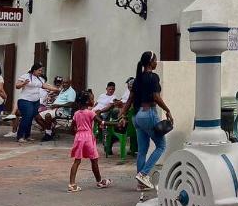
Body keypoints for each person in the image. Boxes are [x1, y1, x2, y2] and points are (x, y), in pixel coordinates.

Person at [119, 51, 173, 190]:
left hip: (137, 116)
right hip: (149, 113)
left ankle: (140, 184)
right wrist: (167, 110)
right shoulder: (153, 77)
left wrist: (122, 114)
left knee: (142, 150)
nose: (156, 62)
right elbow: (156, 97)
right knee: (161, 146)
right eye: (155, 60)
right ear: (150, 62)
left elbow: (130, 99)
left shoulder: (137, 79)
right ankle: (143, 174)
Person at [67, 91, 111, 192]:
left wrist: (78, 133)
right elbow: (101, 122)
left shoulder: (76, 113)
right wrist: (115, 123)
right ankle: (99, 181)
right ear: (87, 101)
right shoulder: (91, 113)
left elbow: (71, 128)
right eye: (92, 99)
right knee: (94, 160)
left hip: (78, 137)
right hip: (88, 138)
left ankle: (72, 184)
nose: (93, 100)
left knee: (77, 161)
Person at [15, 62, 46, 142]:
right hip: (25, 100)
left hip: (35, 101)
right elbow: (17, 86)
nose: (40, 72)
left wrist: (56, 89)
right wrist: (24, 83)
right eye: (39, 70)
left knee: (30, 118)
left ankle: (27, 136)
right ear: (34, 70)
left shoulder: (40, 79)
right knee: (26, 117)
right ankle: (20, 136)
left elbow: (45, 86)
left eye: (41, 70)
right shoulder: (25, 76)